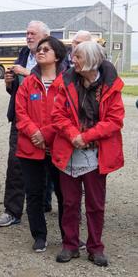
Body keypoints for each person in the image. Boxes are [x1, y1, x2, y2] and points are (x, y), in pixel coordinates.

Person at [52, 41, 124, 266]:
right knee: (70, 202)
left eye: (79, 56)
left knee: (95, 204)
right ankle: (70, 245)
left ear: (92, 60)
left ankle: (95, 247)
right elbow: (57, 115)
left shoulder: (111, 85)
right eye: (74, 56)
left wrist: (86, 137)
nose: (73, 60)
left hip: (96, 153)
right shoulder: (66, 81)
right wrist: (74, 134)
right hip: (69, 150)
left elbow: (115, 120)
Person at [0, 21, 50, 227]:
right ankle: (12, 211)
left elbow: (58, 82)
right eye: (27, 33)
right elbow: (16, 91)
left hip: (47, 120)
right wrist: (10, 82)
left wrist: (27, 74)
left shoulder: (54, 55)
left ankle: (44, 207)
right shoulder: (23, 55)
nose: (28, 37)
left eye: (32, 33)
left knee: (49, 166)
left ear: (45, 35)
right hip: (20, 118)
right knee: (15, 165)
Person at [15, 36, 67, 252]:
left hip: (59, 147)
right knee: (34, 194)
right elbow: (20, 112)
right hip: (30, 148)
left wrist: (45, 133)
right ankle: (39, 236)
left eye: (46, 49)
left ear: (58, 56)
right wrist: (33, 132)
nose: (40, 52)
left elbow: (68, 115)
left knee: (65, 195)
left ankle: (69, 236)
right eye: (39, 49)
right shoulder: (28, 82)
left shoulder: (67, 82)